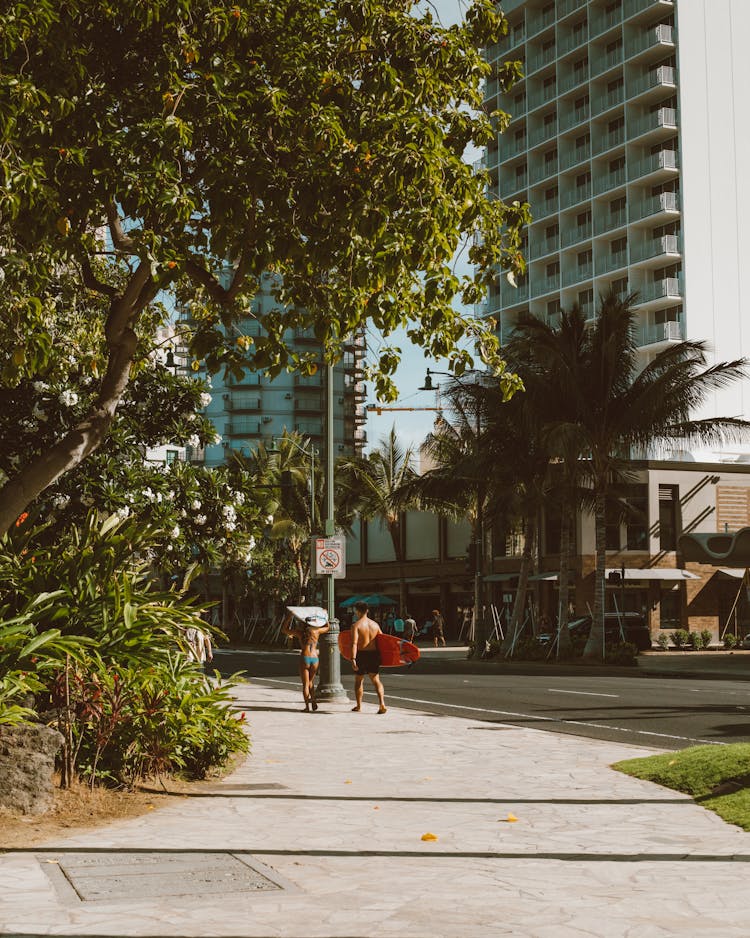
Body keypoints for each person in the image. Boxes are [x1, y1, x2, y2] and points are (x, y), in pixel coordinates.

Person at [283, 611, 329, 713]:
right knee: (311, 682)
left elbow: (284, 630)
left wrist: (288, 618)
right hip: (315, 658)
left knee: (306, 684)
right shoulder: (316, 631)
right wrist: (324, 616)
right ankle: (313, 700)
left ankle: (307, 707)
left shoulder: (300, 633)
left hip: (305, 657)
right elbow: (327, 627)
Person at [350, 600, 387, 714]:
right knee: (376, 680)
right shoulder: (375, 625)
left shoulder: (356, 625)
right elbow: (382, 641)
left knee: (358, 680)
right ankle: (382, 704)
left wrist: (353, 659)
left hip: (361, 654)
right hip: (373, 654)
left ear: (357, 611)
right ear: (367, 611)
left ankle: (359, 706)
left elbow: (354, 643)